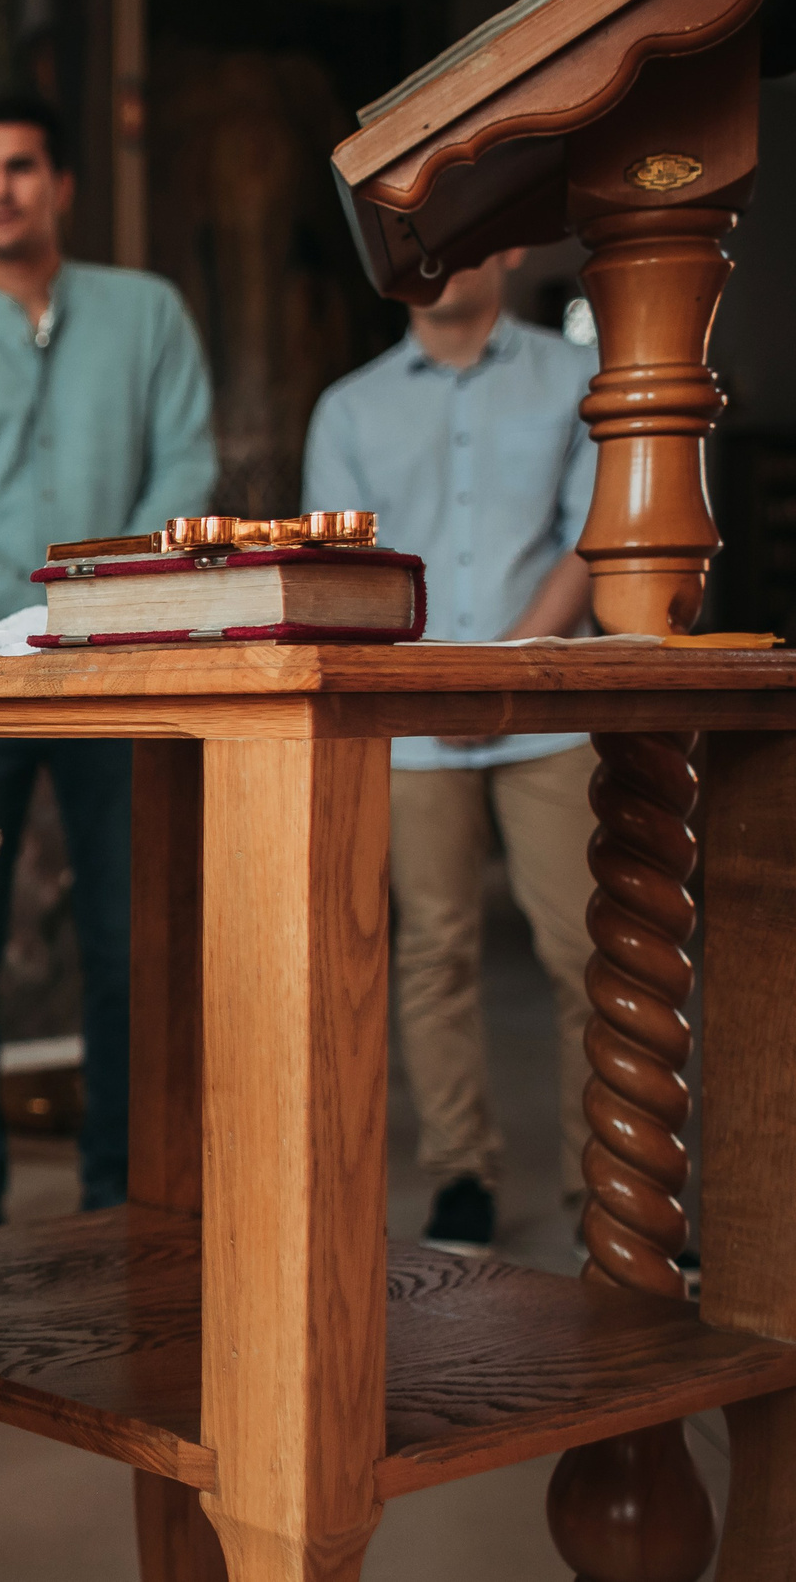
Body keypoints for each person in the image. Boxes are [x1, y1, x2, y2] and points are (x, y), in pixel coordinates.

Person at [0, 92, 218, 1236]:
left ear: (60, 184)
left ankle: (118, 1186)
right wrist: (29, 612)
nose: (2, 187)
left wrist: (97, 605)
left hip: (126, 666)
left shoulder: (146, 315)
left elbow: (184, 471)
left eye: (22, 165)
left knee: (128, 935)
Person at [303, 248, 598, 1257]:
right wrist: (435, 679)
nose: (439, 257)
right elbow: (342, 573)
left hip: (547, 710)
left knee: (586, 947)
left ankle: (611, 1185)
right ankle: (460, 1176)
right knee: (433, 953)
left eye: (465, 233)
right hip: (414, 719)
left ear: (511, 244)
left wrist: (508, 666)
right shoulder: (348, 409)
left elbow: (594, 536)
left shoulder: (576, 383)